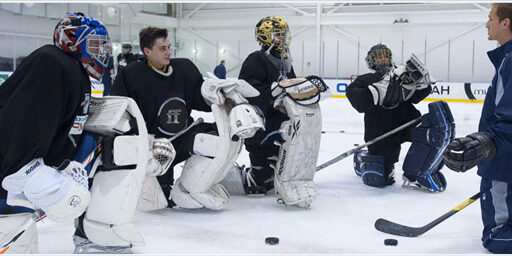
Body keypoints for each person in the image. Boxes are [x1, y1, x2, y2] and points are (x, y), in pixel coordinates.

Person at [112, 27, 263, 212]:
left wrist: (219, 96)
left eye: (169, 47)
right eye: (162, 48)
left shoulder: (183, 67)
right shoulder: (131, 75)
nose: (168, 52)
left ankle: (190, 188)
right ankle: (163, 185)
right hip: (154, 146)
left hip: (183, 137)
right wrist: (140, 140)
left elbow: (199, 99)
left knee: (218, 139)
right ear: (147, 51)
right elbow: (120, 112)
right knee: (155, 204)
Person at [0, 12, 112, 253]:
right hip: (9, 173)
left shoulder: (74, 72)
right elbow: (26, 119)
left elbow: (61, 125)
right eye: (94, 44)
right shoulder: (51, 63)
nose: (101, 51)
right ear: (71, 41)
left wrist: (63, 163)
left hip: (11, 179)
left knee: (20, 232)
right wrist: (25, 167)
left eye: (103, 45)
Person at [221, 16, 328, 208]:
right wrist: (272, 91)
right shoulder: (257, 59)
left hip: (282, 119)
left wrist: (307, 88)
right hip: (262, 123)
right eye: (277, 34)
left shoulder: (285, 61)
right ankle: (251, 177)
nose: (282, 38)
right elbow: (247, 91)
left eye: (283, 34)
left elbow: (291, 88)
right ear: (264, 37)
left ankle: (281, 172)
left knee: (292, 145)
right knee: (264, 183)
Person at [443, 3, 512, 253]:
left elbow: (508, 119)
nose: (487, 24)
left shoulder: (510, 60)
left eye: (491, 18)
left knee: (496, 236)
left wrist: (489, 144)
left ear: (506, 23)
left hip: (504, 164)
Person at [346, 44, 453, 192]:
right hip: (380, 130)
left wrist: (423, 83)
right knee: (379, 178)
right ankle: (363, 158)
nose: (383, 58)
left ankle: (417, 174)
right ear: (371, 61)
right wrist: (379, 93)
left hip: (407, 121)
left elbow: (416, 97)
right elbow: (359, 101)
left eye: (386, 55)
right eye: (379, 56)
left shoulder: (403, 75)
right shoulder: (365, 80)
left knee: (430, 136)